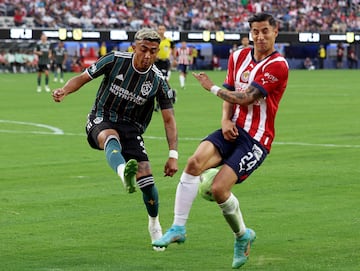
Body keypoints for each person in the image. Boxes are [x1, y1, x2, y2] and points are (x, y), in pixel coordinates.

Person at [153, 13, 289, 269]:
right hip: (232, 128)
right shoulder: (237, 56)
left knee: (218, 190)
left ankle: (242, 236)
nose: (260, 36)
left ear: (275, 31)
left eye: (265, 31)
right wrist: (226, 121)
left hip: (257, 139)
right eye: (255, 31)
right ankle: (178, 227)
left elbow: (247, 97)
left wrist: (211, 88)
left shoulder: (278, 65)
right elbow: (231, 91)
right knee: (193, 163)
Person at [52, 28, 178, 251]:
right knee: (110, 137)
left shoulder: (158, 81)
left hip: (131, 128)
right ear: (133, 47)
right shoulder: (114, 60)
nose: (148, 56)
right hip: (102, 117)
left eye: (153, 51)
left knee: (147, 180)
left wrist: (173, 155)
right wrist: (65, 90)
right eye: (143, 50)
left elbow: (169, 120)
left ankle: (154, 224)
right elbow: (83, 77)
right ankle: (122, 173)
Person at [154, 24, 177, 111]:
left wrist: (174, 59)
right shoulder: (155, 41)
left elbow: (174, 48)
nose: (161, 31)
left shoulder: (169, 41)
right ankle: (171, 94)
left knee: (162, 81)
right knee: (158, 82)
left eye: (162, 29)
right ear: (157, 30)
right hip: (156, 62)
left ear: (165, 30)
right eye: (159, 29)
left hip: (164, 63)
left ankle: (160, 103)